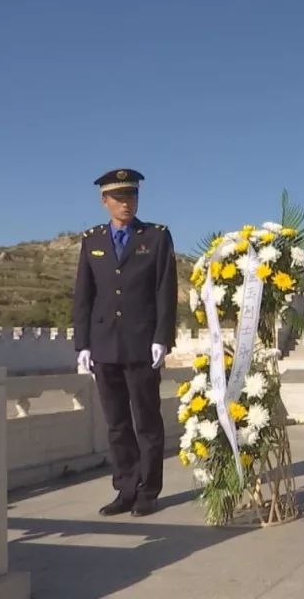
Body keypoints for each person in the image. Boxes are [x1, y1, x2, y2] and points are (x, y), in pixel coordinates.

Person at [73, 168, 178, 517]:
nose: (126, 203)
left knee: (147, 421)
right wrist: (83, 345)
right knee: (117, 423)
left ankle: (149, 490)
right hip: (104, 346)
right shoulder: (92, 241)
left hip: (141, 344)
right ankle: (125, 488)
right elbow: (84, 296)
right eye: (119, 198)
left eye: (131, 196)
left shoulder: (156, 237)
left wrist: (163, 338)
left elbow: (166, 292)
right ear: (104, 201)